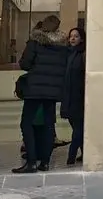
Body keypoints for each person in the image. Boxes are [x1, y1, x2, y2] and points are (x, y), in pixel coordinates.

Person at [15, 15, 70, 173]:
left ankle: (31, 161)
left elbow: (25, 64)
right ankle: (45, 162)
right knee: (48, 125)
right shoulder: (62, 45)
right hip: (53, 91)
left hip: (34, 90)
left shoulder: (35, 42)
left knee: (26, 123)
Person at [61, 27, 86, 167]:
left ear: (81, 38)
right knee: (76, 126)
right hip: (69, 96)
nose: (72, 38)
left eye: (76, 36)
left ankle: (71, 155)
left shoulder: (83, 55)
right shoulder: (68, 54)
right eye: (71, 36)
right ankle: (84, 153)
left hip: (78, 96)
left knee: (78, 128)